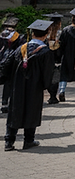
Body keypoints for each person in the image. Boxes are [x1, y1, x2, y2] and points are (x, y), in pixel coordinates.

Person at [3, 19, 56, 151]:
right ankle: (28, 140)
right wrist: (46, 86)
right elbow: (48, 73)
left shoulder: (20, 49)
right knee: (32, 111)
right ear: (46, 35)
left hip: (18, 86)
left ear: (32, 34)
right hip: (35, 87)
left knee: (15, 111)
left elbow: (7, 66)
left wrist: (10, 81)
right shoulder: (46, 52)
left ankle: (9, 142)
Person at [0, 16, 26, 113]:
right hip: (12, 62)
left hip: (3, 61)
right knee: (9, 83)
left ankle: (4, 103)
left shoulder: (2, 35)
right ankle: (7, 103)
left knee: (7, 82)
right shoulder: (19, 37)